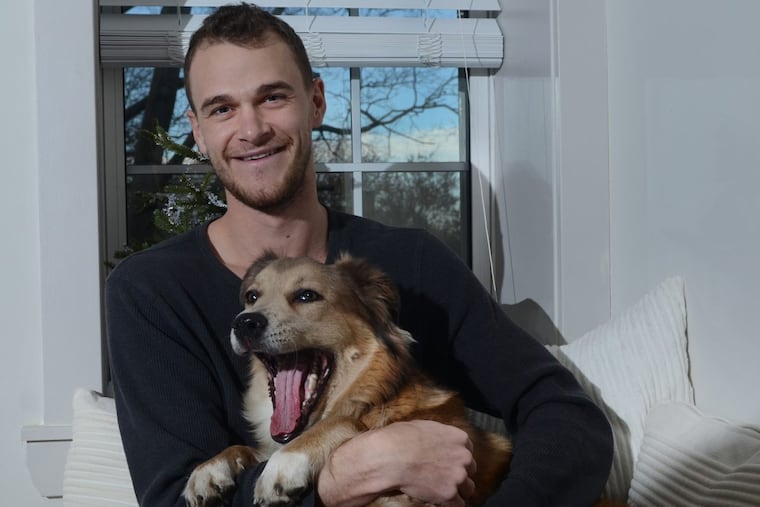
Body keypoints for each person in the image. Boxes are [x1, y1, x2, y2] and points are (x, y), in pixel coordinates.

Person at [106, 4, 613, 506]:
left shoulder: (411, 263)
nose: (252, 128)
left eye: (273, 97)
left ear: (317, 101)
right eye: (222, 108)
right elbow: (174, 499)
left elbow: (565, 415)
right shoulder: (151, 291)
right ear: (197, 130)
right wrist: (342, 476)